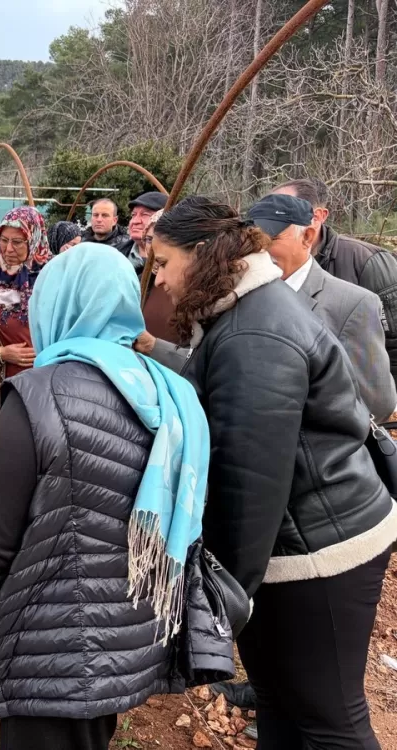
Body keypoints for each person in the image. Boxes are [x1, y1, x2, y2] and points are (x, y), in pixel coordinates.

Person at [150, 196, 397, 749]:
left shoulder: (254, 335)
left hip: (319, 554)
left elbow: (251, 486)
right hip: (292, 545)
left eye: (164, 262)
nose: (159, 279)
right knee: (280, 701)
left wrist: (222, 600)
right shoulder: (248, 310)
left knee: (331, 720)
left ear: (202, 254)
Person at [0, 243, 209, 750]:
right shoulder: (171, 392)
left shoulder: (38, 396)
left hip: (44, 644)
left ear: (58, 304)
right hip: (129, 632)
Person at [249, 193, 396, 420]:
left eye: (270, 239)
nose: (260, 250)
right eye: (252, 241)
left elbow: (376, 403)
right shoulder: (241, 295)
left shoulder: (353, 305)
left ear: (307, 237)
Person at [275, 178, 397, 386]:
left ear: (317, 217)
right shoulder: (269, 263)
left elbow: (393, 346)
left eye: (281, 214)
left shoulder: (369, 262)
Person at [0, 206, 49, 437]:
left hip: (46, 382)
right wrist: (1, 352)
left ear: (34, 240)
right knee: (6, 444)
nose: (8, 249)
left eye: (17, 242)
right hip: (4, 385)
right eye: (3, 240)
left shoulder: (52, 281)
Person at [118, 191, 168, 273]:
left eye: (145, 215)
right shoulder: (116, 254)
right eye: (133, 215)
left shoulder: (173, 261)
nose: (135, 221)